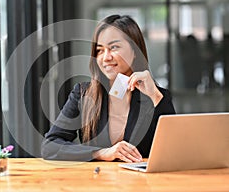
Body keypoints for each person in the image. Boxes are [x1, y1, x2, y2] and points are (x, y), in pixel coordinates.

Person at [41, 15, 176, 163]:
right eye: (99, 50)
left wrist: (155, 96)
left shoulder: (158, 97)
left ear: (135, 51)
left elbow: (175, 150)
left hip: (142, 183)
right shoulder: (83, 94)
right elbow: (50, 146)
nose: (105, 57)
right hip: (97, 182)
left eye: (114, 47)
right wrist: (101, 153)